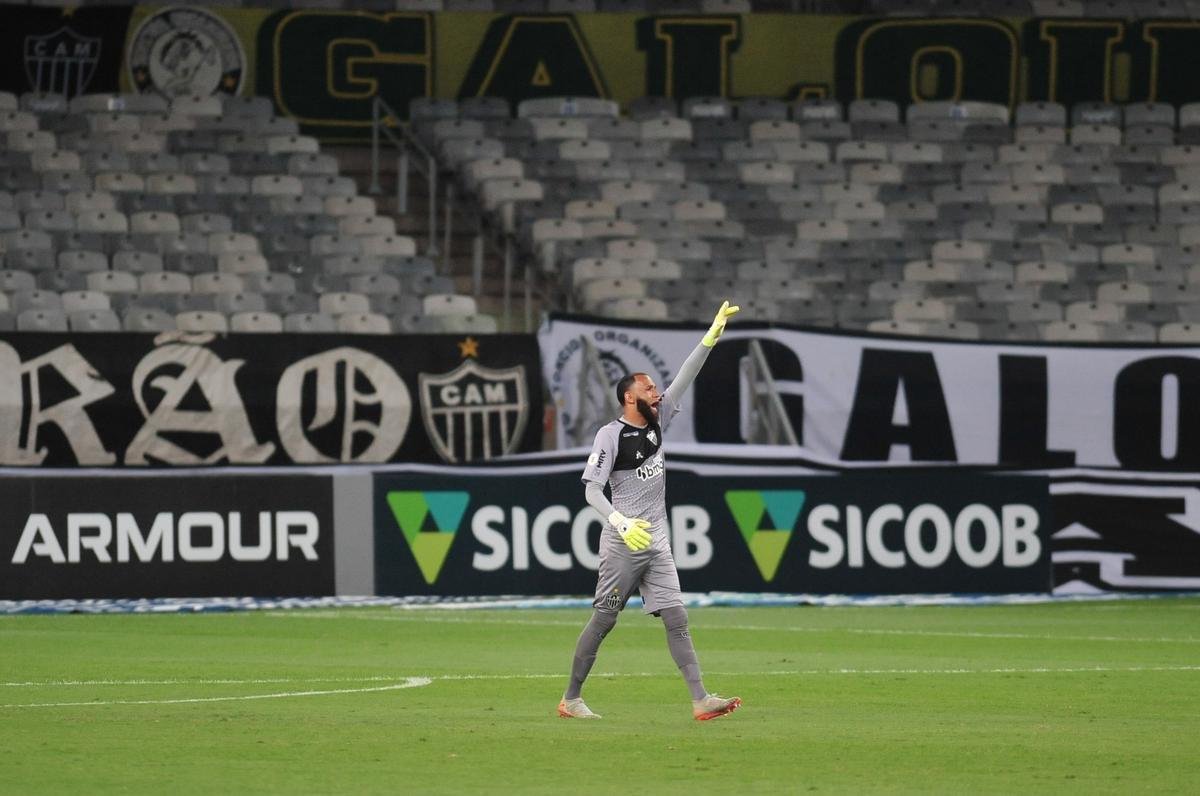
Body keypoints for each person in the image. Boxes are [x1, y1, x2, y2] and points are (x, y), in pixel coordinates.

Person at [557, 301, 742, 721]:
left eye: (656, 388)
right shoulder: (610, 436)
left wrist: (710, 337)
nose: (656, 392)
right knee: (605, 619)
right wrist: (619, 521)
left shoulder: (659, 420)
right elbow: (590, 490)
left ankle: (700, 700)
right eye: (648, 388)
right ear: (629, 396)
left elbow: (686, 376)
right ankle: (570, 698)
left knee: (676, 616)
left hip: (657, 540)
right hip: (624, 543)